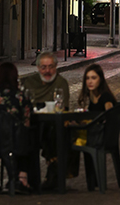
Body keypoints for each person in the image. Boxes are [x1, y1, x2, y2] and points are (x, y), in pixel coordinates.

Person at [0, 61, 33, 193]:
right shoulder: (20, 96)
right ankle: (22, 177)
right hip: (12, 141)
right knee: (27, 136)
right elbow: (27, 121)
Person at [22, 52, 70, 190]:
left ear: (56, 67)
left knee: (52, 130)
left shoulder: (61, 83)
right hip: (33, 123)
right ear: (37, 67)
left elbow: (63, 108)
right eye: (43, 67)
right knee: (31, 132)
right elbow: (25, 104)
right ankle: (43, 174)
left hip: (54, 124)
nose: (47, 71)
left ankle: (53, 172)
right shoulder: (30, 82)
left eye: (50, 67)